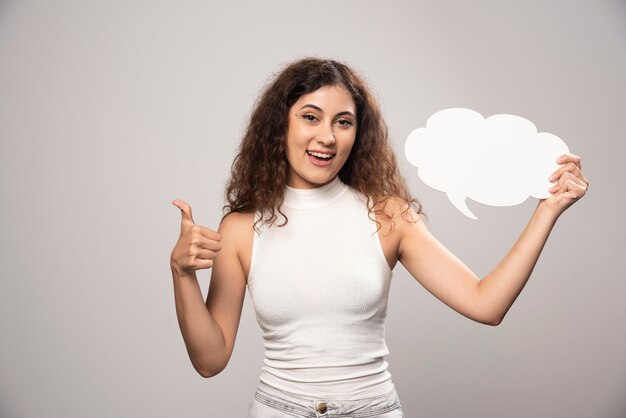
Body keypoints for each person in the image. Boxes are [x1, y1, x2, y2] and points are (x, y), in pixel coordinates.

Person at [169, 58, 589, 417]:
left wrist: (547, 210)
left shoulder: (388, 216)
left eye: (343, 122)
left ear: (358, 134)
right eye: (310, 116)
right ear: (280, 125)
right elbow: (210, 360)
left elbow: (487, 304)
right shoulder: (241, 228)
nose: (327, 137)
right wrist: (182, 273)